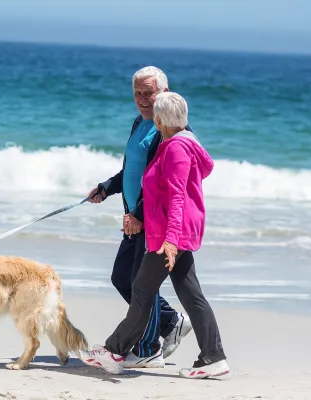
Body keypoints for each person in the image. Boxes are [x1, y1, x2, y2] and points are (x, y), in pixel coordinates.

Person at [80, 92, 229, 379]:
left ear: (160, 120)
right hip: (177, 232)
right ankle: (213, 357)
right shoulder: (181, 143)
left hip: (170, 235)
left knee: (142, 290)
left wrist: (170, 241)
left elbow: (176, 198)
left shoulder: (175, 149)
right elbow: (190, 179)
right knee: (190, 294)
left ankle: (114, 350)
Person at [87, 66, 192, 368]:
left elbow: (162, 185)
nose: (144, 99)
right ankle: (171, 322)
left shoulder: (167, 130)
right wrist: (106, 188)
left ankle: (148, 349)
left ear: (165, 91)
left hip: (151, 221)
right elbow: (132, 172)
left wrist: (140, 214)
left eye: (150, 92)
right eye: (138, 93)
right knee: (123, 278)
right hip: (133, 219)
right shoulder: (138, 123)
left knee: (142, 285)